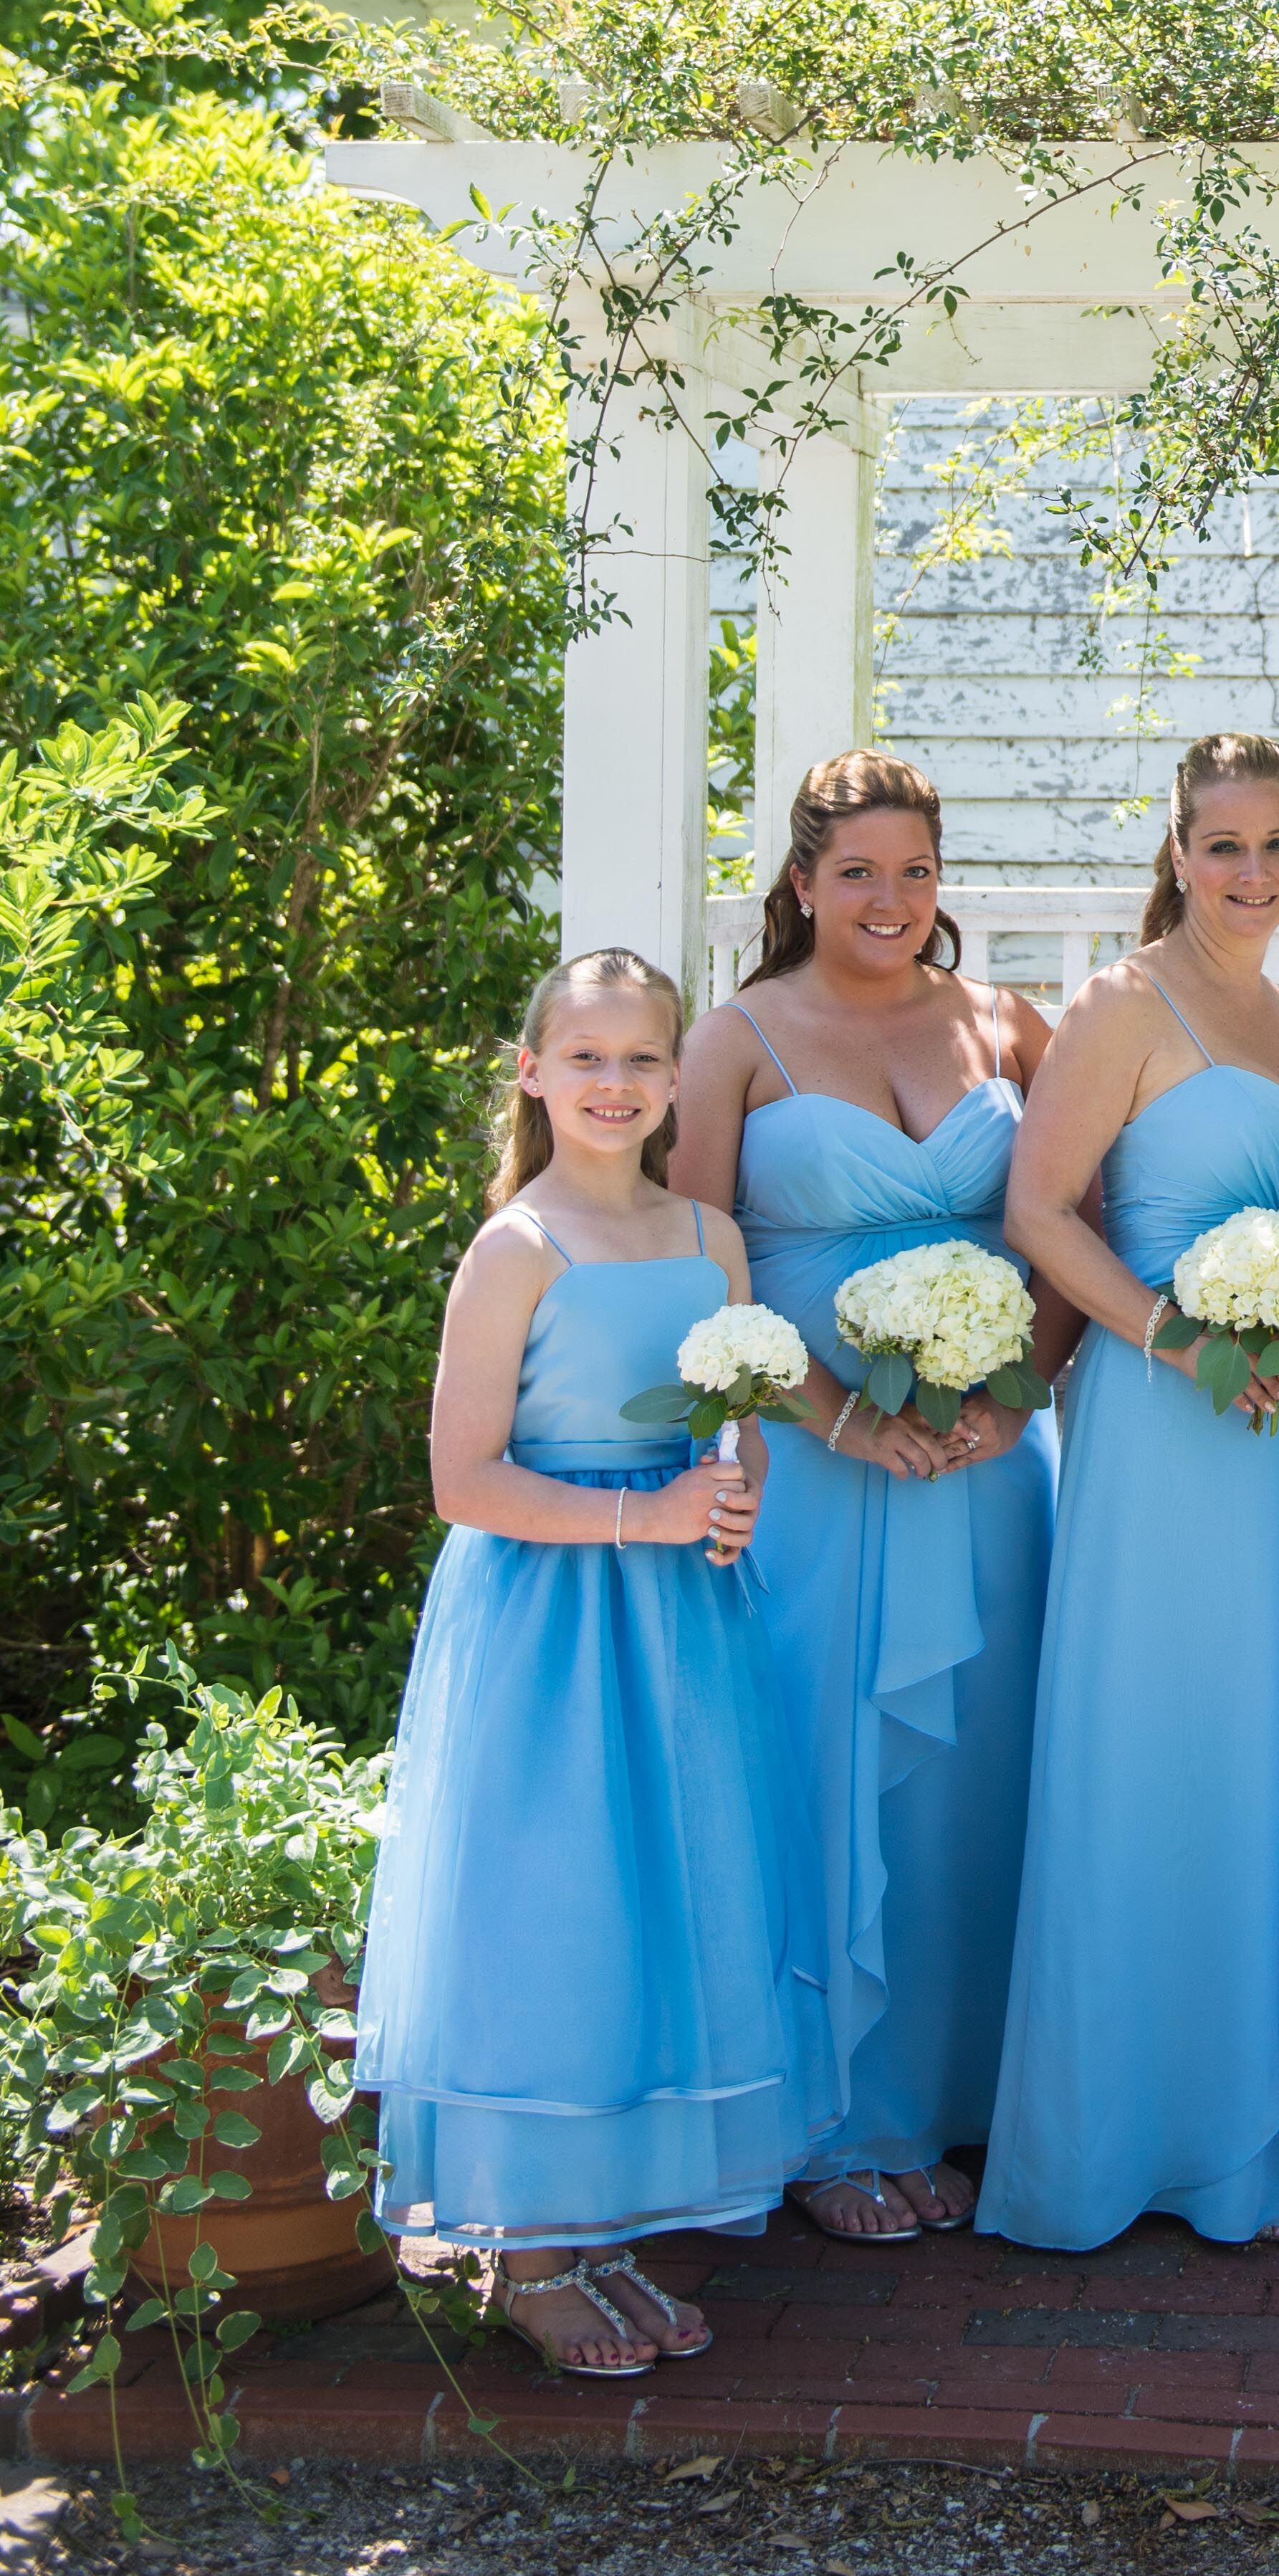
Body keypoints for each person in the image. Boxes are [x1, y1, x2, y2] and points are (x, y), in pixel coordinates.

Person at [354, 950, 838, 2376]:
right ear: (532, 1073)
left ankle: (605, 2213)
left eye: (641, 1057)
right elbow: (462, 1478)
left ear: (674, 1077)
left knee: (658, 1894)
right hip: (553, 1619)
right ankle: (528, 2244)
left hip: (681, 1620)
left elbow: (734, 1412)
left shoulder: (708, 1232)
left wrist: (733, 1486)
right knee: (555, 1896)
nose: (615, 1082)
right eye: (586, 1057)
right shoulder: (517, 1246)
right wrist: (645, 1512)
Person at [976, 733, 1279, 2251]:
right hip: (1166, 1430)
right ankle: (1128, 2131)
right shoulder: (1119, 1004)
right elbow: (1039, 1207)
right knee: (1157, 1750)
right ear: (1176, 845)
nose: (1255, 873)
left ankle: (1263, 2133)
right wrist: (1178, 1336)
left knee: (1274, 1749)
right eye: (1226, 843)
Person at [672, 753, 1073, 2245]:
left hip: (982, 1469)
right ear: (799, 883)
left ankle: (966, 2092)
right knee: (827, 1771)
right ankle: (836, 2122)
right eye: (856, 873)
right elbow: (694, 1261)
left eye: (914, 871)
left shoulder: (1007, 1023)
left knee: (982, 1772)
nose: (889, 901)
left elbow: (1069, 1231)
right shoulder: (737, 1039)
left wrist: (1008, 1394)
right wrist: (830, 1410)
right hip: (816, 1468)